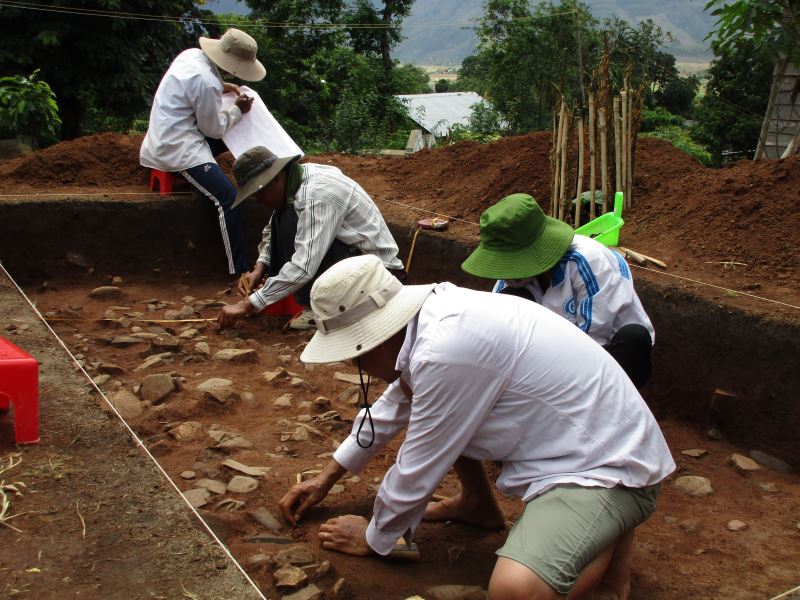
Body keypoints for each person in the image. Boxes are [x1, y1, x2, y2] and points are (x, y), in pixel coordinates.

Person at [278, 254, 675, 600]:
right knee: (439, 410)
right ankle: (478, 505)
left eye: (353, 354)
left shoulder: (445, 351)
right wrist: (328, 475)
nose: (354, 365)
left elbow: (419, 462)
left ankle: (610, 544)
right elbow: (400, 400)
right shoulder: (435, 316)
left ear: (372, 339)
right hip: (578, 440)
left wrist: (374, 537)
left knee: (515, 592)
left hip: (605, 468)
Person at [462, 193, 655, 389]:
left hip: (606, 351)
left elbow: (593, 344)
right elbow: (499, 338)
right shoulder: (512, 282)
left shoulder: (588, 262)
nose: (506, 273)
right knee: (509, 305)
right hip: (554, 355)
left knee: (633, 338)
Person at [217, 146, 405, 330]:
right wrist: (260, 267)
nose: (258, 200)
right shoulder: (296, 181)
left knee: (291, 220)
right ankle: (309, 301)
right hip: (357, 262)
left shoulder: (316, 195)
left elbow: (304, 265)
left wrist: (247, 305)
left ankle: (320, 309)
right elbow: (271, 228)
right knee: (283, 217)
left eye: (259, 193)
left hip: (377, 277)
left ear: (276, 179)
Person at [140, 28, 266, 277]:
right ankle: (238, 270)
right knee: (229, 199)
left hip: (166, 135)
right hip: (179, 149)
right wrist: (238, 110)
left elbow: (197, 89)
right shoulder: (206, 82)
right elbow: (214, 129)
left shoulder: (191, 56)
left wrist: (222, 86)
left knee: (229, 138)